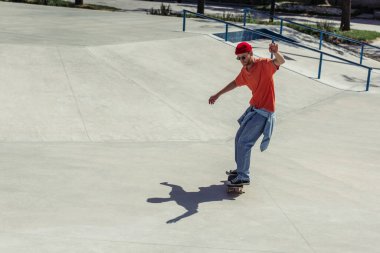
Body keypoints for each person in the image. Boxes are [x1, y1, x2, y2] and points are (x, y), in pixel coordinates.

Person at [208, 41, 285, 186]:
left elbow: (281, 61)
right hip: (254, 109)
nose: (241, 61)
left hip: (264, 113)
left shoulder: (264, 65)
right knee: (238, 138)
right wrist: (218, 94)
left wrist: (275, 52)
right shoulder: (245, 71)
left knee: (245, 142)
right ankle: (240, 169)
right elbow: (235, 83)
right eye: (239, 59)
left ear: (251, 54)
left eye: (243, 57)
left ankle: (244, 176)